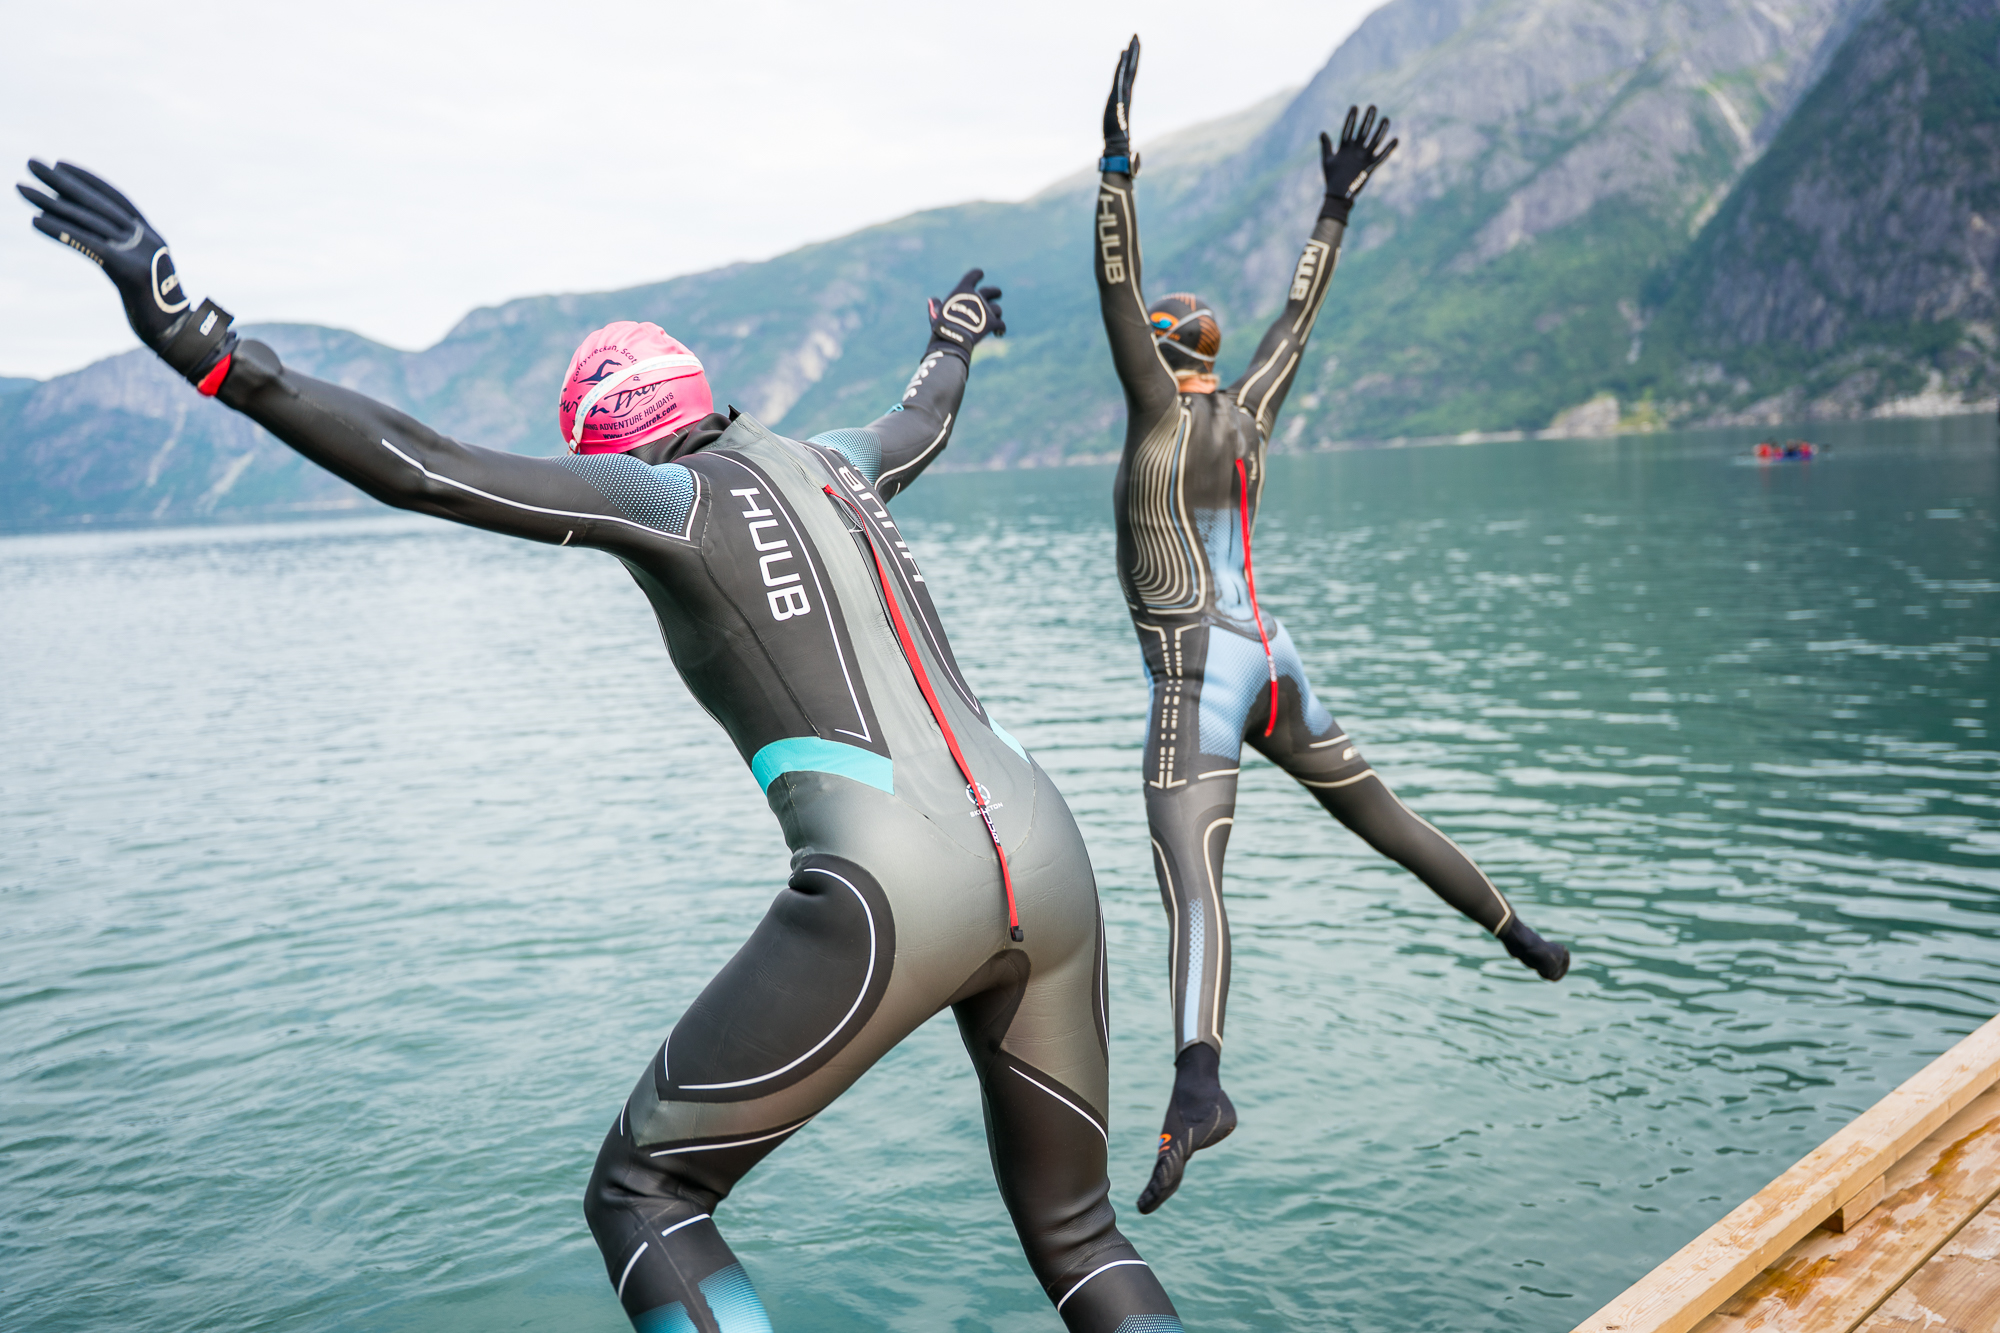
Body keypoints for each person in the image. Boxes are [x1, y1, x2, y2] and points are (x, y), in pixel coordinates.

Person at [20, 159, 1187, 1333]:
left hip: (898, 886)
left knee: (644, 1194)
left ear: (605, 449)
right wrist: (955, 336)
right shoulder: (839, 458)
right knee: (1076, 1232)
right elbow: (923, 412)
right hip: (1045, 850)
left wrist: (203, 345)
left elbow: (429, 469)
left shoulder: (663, 501)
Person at [1089, 38, 1574, 1216]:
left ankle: (1198, 1083)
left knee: (1190, 882)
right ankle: (1520, 935)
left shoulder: (1154, 413)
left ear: (1158, 352)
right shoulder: (1249, 411)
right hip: (1274, 663)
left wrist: (1114, 169)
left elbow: (1113, 281)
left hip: (1196, 674)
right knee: (1384, 817)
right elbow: (1297, 314)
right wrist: (1333, 207)